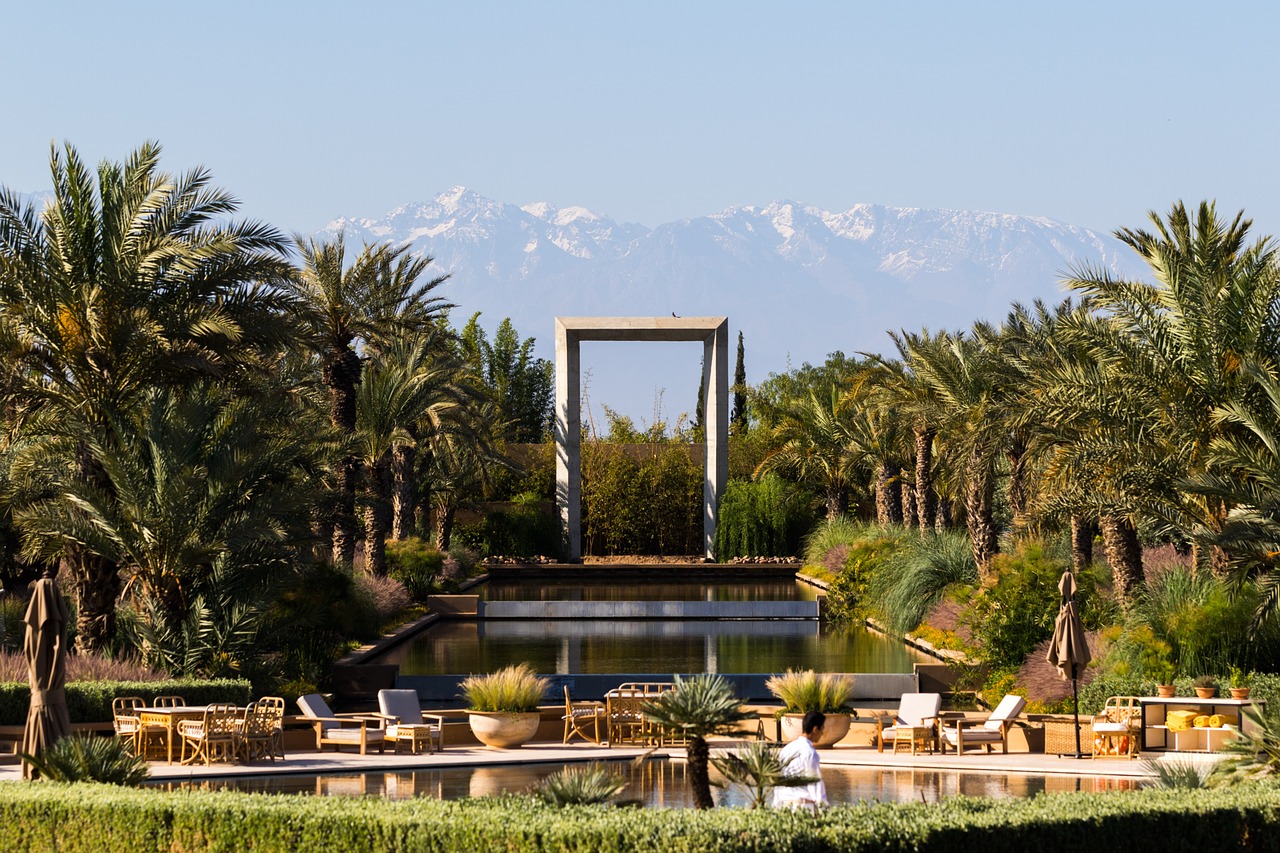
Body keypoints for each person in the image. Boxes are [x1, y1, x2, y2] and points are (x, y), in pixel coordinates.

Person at [770, 709, 828, 810]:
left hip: (785, 806)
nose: (822, 733)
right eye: (822, 728)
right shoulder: (810, 752)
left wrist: (776, 806)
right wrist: (824, 809)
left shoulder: (786, 749)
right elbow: (815, 783)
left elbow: (779, 780)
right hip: (803, 807)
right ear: (815, 729)